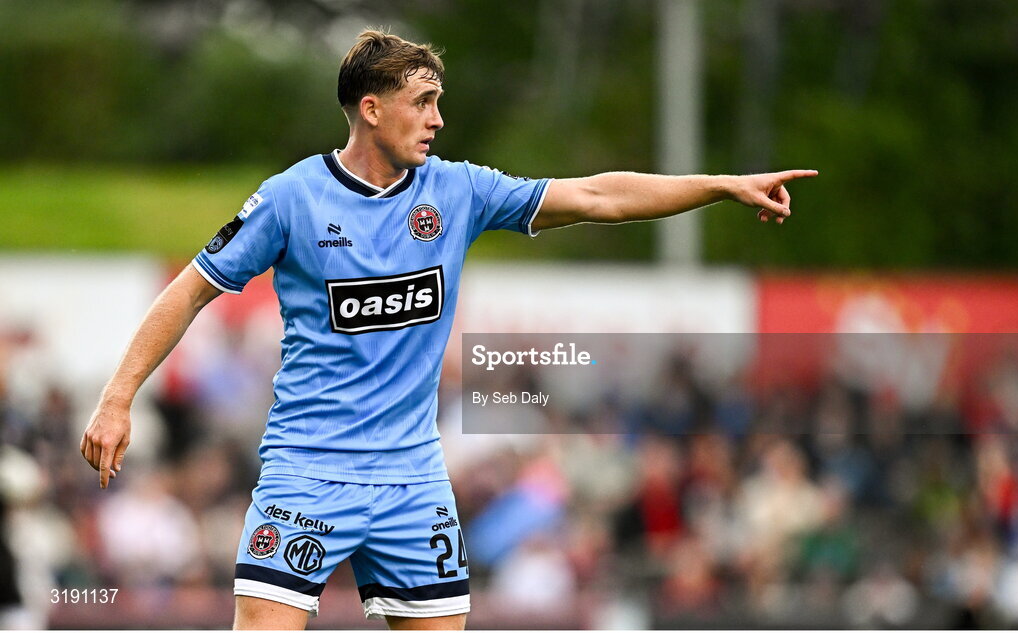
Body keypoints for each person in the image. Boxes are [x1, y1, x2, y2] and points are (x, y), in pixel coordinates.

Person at [80, 29, 816, 630]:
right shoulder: (291, 199)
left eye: (439, 103)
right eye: (423, 102)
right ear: (371, 109)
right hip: (308, 470)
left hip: (412, 478)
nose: (437, 120)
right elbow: (189, 292)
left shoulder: (457, 190)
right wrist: (118, 397)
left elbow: (596, 196)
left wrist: (719, 185)